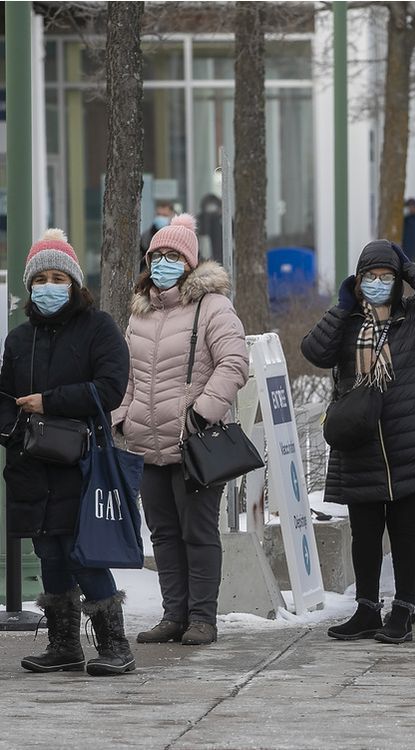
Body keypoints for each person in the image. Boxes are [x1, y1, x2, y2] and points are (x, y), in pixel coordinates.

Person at [302, 240, 415, 643]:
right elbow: (314, 351)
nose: (378, 284)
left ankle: (404, 610)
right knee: (365, 533)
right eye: (370, 277)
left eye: (386, 276)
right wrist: (342, 306)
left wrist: (410, 269)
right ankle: (367, 609)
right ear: (358, 282)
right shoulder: (348, 321)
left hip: (408, 439)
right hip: (360, 441)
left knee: (408, 531)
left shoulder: (413, 317)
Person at [113, 214, 249, 646]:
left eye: (173, 256)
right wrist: (122, 415)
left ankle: (202, 619)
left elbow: (234, 363)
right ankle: (174, 615)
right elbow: (127, 374)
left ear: (189, 263)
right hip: (145, 444)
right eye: (157, 255)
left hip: (195, 444)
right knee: (164, 534)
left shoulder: (212, 306)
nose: (163, 263)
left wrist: (201, 413)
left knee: (198, 532)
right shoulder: (140, 312)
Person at [1, 228, 132, 676]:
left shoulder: (100, 328)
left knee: (84, 555)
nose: (50, 286)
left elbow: (111, 389)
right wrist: (12, 426)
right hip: (32, 466)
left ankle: (115, 645)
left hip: (82, 464)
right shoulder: (19, 340)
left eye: (59, 277)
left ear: (75, 284)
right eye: (42, 278)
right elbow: (5, 395)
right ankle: (63, 645)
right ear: (29, 285)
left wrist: (50, 401)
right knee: (50, 555)